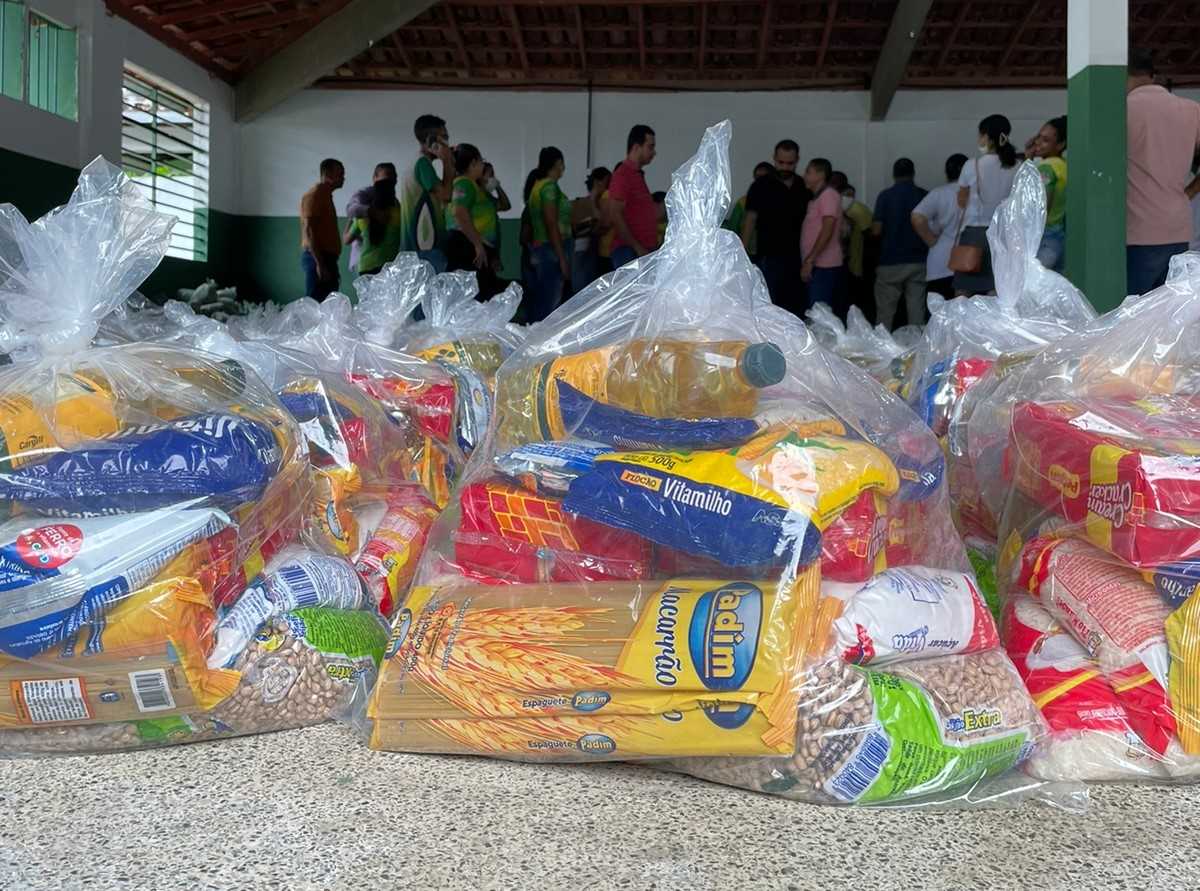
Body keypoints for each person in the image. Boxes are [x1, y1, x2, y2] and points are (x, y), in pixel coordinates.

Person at [1126, 49, 1200, 295]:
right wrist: (1188, 192)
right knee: (1164, 316)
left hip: (1136, 231)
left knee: (1132, 316)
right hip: (1177, 225)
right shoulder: (1192, 109)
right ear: (1153, 75)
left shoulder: (1120, 110)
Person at [955, 114, 1019, 296]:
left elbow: (961, 201)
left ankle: (962, 325)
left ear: (986, 136)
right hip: (1004, 233)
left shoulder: (971, 165)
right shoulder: (1017, 165)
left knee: (964, 290)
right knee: (997, 287)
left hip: (974, 233)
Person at [744, 139, 809, 312]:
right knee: (769, 304)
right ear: (774, 158)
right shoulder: (761, 185)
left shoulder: (803, 186)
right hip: (768, 255)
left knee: (795, 305)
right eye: (781, 162)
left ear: (797, 160)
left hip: (798, 257)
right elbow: (750, 219)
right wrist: (742, 251)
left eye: (790, 163)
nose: (785, 167)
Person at [873, 158, 928, 328]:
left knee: (885, 313)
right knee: (916, 312)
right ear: (913, 174)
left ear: (893, 174)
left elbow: (876, 230)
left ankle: (881, 349)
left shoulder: (885, 196)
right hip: (918, 260)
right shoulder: (924, 195)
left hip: (890, 261)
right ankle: (917, 350)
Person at [445, 143, 504, 298]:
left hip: (473, 244)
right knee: (477, 295)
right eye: (481, 161)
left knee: (484, 292)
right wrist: (478, 245)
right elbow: (459, 212)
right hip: (466, 246)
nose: (483, 165)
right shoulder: (464, 183)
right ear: (473, 163)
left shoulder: (472, 185)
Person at [399, 114, 454, 273]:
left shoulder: (416, 162)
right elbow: (446, 195)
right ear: (431, 140)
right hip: (425, 248)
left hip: (416, 249)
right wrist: (446, 161)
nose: (447, 142)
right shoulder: (423, 164)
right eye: (444, 137)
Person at [912, 153, 969, 300]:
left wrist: (930, 240)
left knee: (939, 317)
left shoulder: (939, 194)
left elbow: (917, 218)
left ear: (947, 172)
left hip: (940, 263)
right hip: (970, 262)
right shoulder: (978, 195)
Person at [526, 147, 571, 322]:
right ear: (557, 163)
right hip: (551, 250)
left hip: (542, 248)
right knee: (549, 306)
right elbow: (551, 223)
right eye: (562, 164)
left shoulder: (537, 186)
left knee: (543, 301)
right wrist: (562, 258)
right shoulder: (549, 187)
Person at [608, 125, 658, 267]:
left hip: (642, 252)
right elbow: (615, 215)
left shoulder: (637, 175)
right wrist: (636, 247)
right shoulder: (623, 175)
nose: (654, 152)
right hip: (630, 253)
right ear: (636, 147)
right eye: (650, 147)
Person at [800, 158, 843, 309]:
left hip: (824, 264)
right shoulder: (815, 199)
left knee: (820, 312)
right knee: (815, 309)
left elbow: (828, 228)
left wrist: (811, 259)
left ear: (820, 175)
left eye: (808, 172)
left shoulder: (828, 195)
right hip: (816, 264)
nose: (804, 175)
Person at [300, 158, 344, 301]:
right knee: (315, 305)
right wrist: (320, 264)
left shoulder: (325, 196)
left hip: (327, 259)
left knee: (328, 306)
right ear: (328, 174)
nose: (343, 178)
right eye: (340, 174)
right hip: (318, 258)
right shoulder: (314, 195)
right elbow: (309, 231)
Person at [1030, 116, 1068, 272]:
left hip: (1044, 237)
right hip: (1060, 235)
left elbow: (1042, 206)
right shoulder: (1064, 165)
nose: (1038, 142)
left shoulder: (1046, 167)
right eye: (1038, 137)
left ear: (1060, 145)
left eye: (1045, 140)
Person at [344, 162, 397, 273]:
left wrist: (354, 220)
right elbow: (351, 209)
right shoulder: (398, 210)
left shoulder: (362, 216)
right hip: (389, 267)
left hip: (366, 265)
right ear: (374, 178)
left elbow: (346, 239)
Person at [570, 166, 611, 294]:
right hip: (581, 250)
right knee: (581, 288)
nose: (609, 186)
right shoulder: (582, 203)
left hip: (594, 250)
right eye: (607, 182)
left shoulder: (603, 202)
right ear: (598, 182)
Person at [836, 180, 875, 316]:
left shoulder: (856, 209)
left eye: (850, 195)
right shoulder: (845, 210)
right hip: (853, 259)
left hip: (859, 259)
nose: (847, 198)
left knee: (857, 297)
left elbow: (870, 235)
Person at [723, 162, 773, 259]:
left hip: (771, 256)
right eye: (758, 178)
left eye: (765, 178)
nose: (761, 181)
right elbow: (732, 229)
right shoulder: (743, 202)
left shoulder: (780, 201)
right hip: (747, 254)